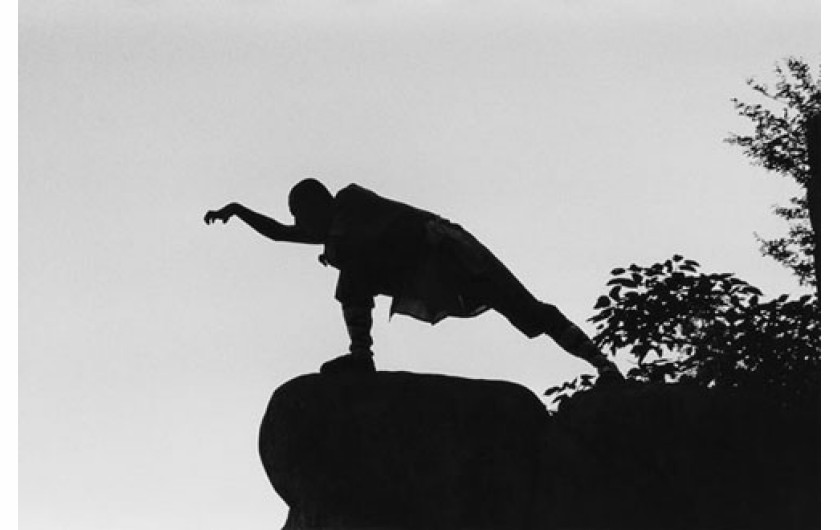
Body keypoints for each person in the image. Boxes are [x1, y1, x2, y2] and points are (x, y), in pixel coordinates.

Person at [204, 179, 623, 384]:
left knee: (527, 310)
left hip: (451, 253)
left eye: (302, 214)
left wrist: (334, 250)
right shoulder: (337, 225)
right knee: (354, 276)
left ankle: (602, 365)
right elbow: (282, 233)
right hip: (421, 267)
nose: (301, 225)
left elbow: (348, 238)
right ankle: (361, 356)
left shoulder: (349, 203)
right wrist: (238, 210)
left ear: (318, 204)